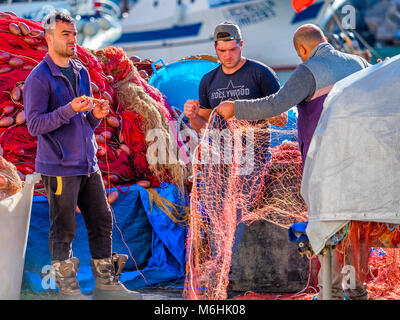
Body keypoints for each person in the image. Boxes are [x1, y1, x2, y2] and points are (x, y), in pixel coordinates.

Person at [216, 23, 371, 300]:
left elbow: (277, 104)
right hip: (361, 161)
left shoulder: (308, 69)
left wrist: (236, 108)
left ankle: (330, 293)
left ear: (302, 49)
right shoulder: (358, 62)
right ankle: (357, 290)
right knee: (356, 227)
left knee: (326, 229)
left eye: (299, 54)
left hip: (326, 163)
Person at [23, 12, 142, 300]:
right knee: (64, 229)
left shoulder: (81, 72)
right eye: (66, 34)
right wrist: (70, 109)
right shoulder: (38, 79)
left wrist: (95, 117)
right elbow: (34, 125)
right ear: (49, 38)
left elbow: (83, 123)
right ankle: (68, 291)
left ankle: (106, 286)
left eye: (74, 33)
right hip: (59, 167)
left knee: (102, 220)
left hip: (88, 164)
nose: (73, 39)